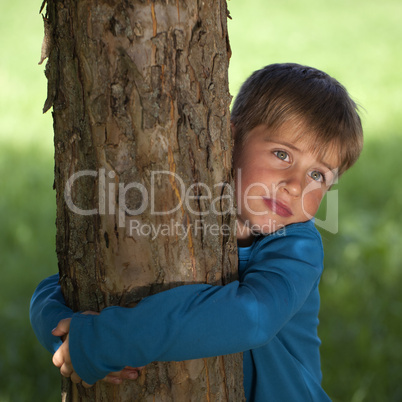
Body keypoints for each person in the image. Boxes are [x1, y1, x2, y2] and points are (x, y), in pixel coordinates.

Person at [30, 63, 363, 401]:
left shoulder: (298, 246)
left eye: (318, 176)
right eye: (282, 154)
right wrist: (67, 338)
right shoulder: (184, 213)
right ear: (228, 136)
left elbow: (254, 317)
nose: (296, 186)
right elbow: (55, 287)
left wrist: (112, 340)